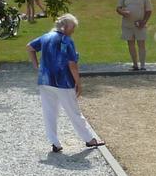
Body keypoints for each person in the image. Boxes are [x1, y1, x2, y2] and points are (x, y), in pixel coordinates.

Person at [26, 14, 105, 153]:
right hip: (63, 82)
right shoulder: (66, 40)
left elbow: (30, 47)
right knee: (74, 112)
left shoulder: (45, 37)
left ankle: (55, 143)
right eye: (73, 27)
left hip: (45, 80)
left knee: (49, 112)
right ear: (66, 26)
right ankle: (89, 139)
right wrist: (78, 82)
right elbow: (72, 64)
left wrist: (36, 66)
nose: (73, 30)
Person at [116, 0, 153, 71]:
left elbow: (149, 10)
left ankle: (143, 65)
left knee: (141, 44)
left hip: (140, 24)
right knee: (131, 44)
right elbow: (118, 8)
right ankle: (135, 64)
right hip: (127, 24)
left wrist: (144, 21)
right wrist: (123, 13)